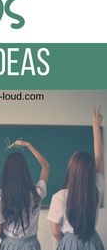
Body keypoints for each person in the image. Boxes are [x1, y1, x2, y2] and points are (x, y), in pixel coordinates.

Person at [47, 107, 105, 250]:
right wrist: (96, 128)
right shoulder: (96, 190)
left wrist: (66, 240)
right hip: (93, 241)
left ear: (71, 171)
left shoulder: (59, 197)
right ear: (91, 172)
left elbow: (55, 231)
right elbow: (99, 159)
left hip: (69, 242)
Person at [0, 140, 49, 250]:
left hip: (9, 245)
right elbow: (45, 166)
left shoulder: (1, 195)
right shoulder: (37, 192)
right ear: (26, 170)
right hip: (31, 245)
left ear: (6, 172)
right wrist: (28, 145)